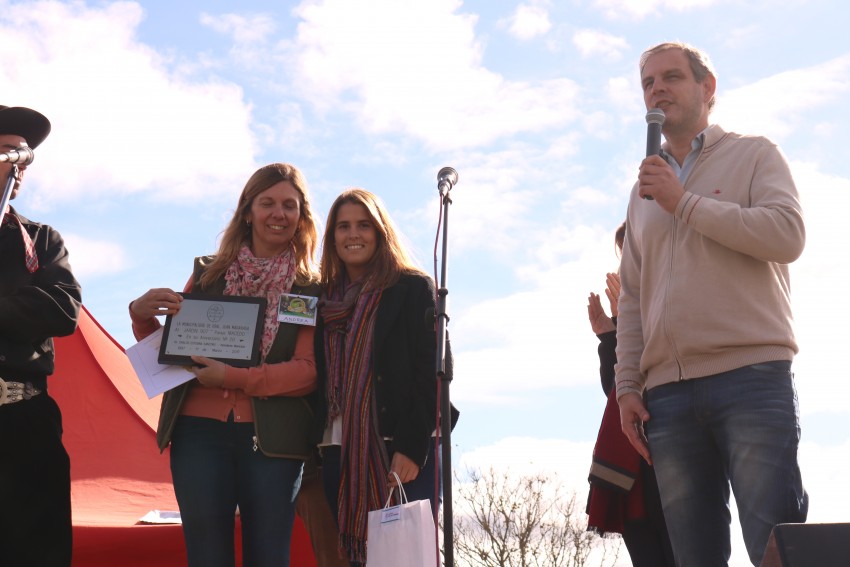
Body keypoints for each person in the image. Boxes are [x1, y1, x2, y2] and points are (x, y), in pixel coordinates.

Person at [615, 42, 808, 567]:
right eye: (648, 83)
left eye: (671, 77)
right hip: (667, 397)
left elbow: (787, 235)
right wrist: (627, 385)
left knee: (777, 548)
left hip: (749, 375)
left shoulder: (755, 155)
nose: (657, 89)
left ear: (708, 88)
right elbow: (632, 295)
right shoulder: (641, 193)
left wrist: (684, 202)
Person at [130, 163, 322, 567]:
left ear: (301, 217)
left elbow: (306, 371)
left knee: (268, 558)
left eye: (289, 205)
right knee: (206, 558)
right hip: (197, 436)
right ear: (247, 210)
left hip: (275, 444)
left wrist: (233, 377)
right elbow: (175, 357)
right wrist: (142, 317)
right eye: (267, 202)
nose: (278, 214)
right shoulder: (207, 273)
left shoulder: (308, 288)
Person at [315, 188, 457, 565]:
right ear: (332, 239)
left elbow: (435, 374)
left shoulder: (411, 288)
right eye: (343, 227)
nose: (353, 234)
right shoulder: (322, 301)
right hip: (338, 452)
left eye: (364, 225)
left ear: (380, 232)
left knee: (406, 559)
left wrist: (410, 447)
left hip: (405, 448)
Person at [0, 105, 82, 566]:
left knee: (36, 552)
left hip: (23, 416)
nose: (17, 162)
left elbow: (63, 308)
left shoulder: (42, 239)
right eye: (7, 151)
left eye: (21, 153)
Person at [586, 222, 675, 567]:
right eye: (623, 256)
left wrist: (627, 322)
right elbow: (617, 391)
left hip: (673, 453)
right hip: (633, 468)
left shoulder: (670, 293)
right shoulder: (629, 314)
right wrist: (610, 336)